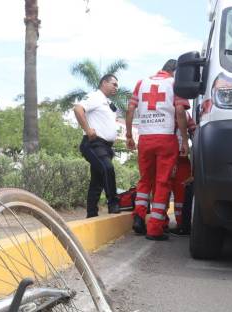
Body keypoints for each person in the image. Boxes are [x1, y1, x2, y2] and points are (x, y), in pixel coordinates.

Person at [126, 59, 189, 240]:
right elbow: (180, 111)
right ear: (175, 72)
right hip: (166, 138)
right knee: (162, 182)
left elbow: (130, 109)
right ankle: (154, 228)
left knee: (145, 180)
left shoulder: (141, 82)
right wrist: (184, 140)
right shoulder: (175, 84)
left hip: (145, 138)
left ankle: (138, 216)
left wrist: (129, 135)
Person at [73, 74, 121, 218]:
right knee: (107, 168)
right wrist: (87, 130)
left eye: (117, 85)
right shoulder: (96, 96)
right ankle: (113, 204)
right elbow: (78, 109)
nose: (116, 88)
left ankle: (91, 213)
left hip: (105, 147)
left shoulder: (107, 102)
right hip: (94, 143)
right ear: (104, 83)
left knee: (97, 180)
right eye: (114, 84)